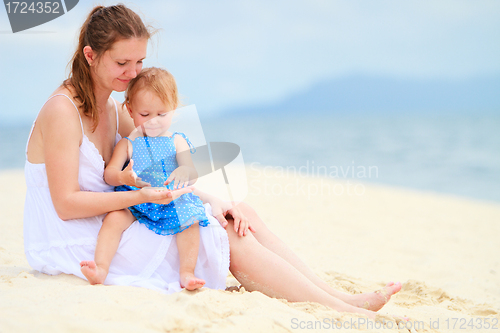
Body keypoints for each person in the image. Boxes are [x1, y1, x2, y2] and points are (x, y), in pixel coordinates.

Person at [24, 4, 401, 319]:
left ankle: (336, 298)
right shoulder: (62, 111)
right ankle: (345, 312)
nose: (134, 73)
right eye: (122, 62)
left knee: (237, 213)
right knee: (217, 235)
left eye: (139, 61)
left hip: (123, 212)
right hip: (80, 236)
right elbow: (66, 204)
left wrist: (214, 200)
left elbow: (165, 162)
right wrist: (144, 198)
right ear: (90, 55)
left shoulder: (115, 107)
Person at [80, 67, 245, 291]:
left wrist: (183, 171)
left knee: (190, 220)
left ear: (173, 109)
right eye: (145, 114)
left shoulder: (177, 141)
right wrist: (123, 176)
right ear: (129, 109)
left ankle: (186, 273)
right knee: (114, 219)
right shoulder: (128, 143)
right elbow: (109, 174)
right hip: (135, 201)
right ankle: (100, 268)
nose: (153, 121)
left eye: (162, 114)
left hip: (170, 199)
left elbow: (192, 171)